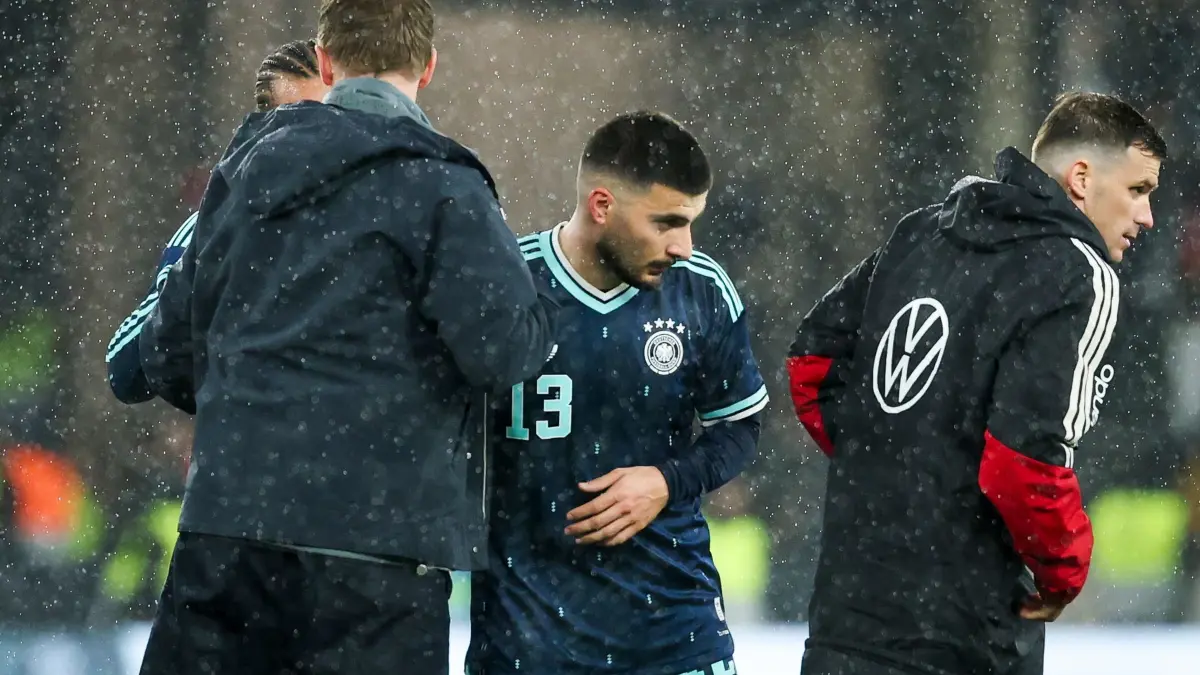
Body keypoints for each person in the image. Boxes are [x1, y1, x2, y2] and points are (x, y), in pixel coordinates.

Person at [135, 1, 558, 673]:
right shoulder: (443, 186)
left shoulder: (242, 173)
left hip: (226, 541)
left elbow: (164, 354)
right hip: (377, 556)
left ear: (326, 63)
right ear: (428, 67)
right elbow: (505, 352)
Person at [787, 91, 1166, 675]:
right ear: (1082, 178)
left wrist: (888, 469)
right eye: (1138, 190)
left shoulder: (921, 232)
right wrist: (1063, 573)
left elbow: (811, 363)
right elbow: (1023, 462)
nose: (1147, 217)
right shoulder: (1076, 271)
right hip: (966, 631)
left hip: (848, 615)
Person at [468, 112, 767, 675]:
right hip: (525, 639)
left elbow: (740, 428)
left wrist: (666, 480)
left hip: (674, 632)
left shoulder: (702, 292)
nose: (683, 245)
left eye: (691, 222)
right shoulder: (506, 287)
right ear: (602, 206)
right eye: (667, 223)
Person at [105, 38, 329, 405]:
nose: (311, 141)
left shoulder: (381, 218)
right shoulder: (209, 225)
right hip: (248, 453)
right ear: (264, 130)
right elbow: (128, 369)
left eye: (323, 122)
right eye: (295, 122)